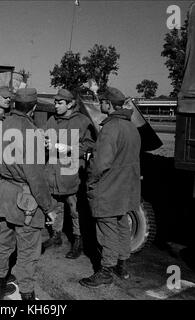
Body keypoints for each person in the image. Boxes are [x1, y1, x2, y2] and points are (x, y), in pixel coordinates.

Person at [0, 88, 58, 300]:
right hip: (24, 197)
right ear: (34, 107)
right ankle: (27, 295)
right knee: (28, 250)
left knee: (4, 242)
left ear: (14, 104)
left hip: (3, 192)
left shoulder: (1, 126)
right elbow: (36, 178)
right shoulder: (32, 132)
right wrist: (50, 208)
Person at [80, 87, 141, 287]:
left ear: (108, 104)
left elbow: (100, 164)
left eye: (102, 102)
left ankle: (106, 270)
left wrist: (91, 182)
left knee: (106, 229)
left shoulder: (111, 127)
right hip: (125, 187)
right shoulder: (131, 126)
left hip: (109, 188)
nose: (100, 105)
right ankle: (121, 266)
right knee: (122, 224)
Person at [42, 88, 96, 259]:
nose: (56, 106)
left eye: (60, 103)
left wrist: (70, 149)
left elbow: (90, 146)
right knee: (55, 206)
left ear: (71, 103)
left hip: (71, 173)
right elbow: (44, 137)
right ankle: (56, 236)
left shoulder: (82, 121)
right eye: (55, 102)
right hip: (52, 171)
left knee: (75, 210)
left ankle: (78, 241)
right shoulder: (52, 119)